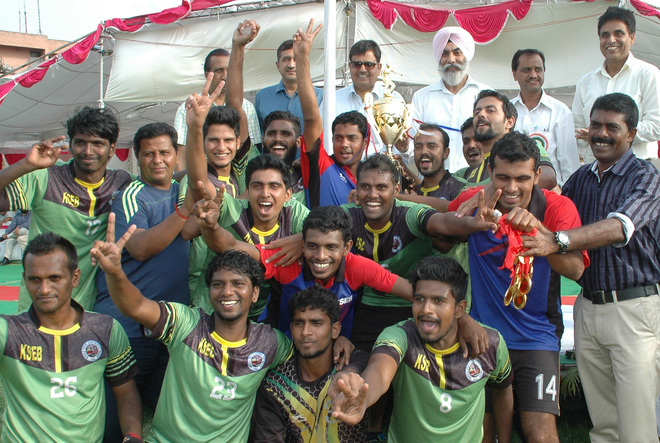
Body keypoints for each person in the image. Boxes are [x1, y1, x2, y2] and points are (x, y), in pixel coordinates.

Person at [523, 92, 660, 442]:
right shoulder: (581, 179)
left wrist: (559, 240)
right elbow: (551, 209)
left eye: (612, 127)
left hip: (634, 310)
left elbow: (620, 227)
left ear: (631, 134)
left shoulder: (646, 177)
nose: (601, 133)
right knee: (603, 425)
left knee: (637, 425)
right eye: (596, 125)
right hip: (588, 308)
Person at [94, 212, 296, 442]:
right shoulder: (186, 324)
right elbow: (137, 307)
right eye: (218, 284)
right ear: (209, 293)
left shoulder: (270, 343)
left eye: (238, 284)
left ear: (255, 293)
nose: (227, 292)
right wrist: (115, 273)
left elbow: (307, 358)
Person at [447, 131, 589, 442]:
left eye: (522, 178)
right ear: (489, 174)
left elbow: (577, 270)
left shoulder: (557, 207)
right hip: (481, 336)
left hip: (537, 336)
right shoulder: (476, 201)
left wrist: (543, 234)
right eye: (502, 177)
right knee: (481, 434)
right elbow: (439, 226)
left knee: (539, 432)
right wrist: (469, 222)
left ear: (538, 175)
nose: (511, 188)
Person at [330, 256, 514, 442]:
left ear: (460, 309)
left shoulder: (490, 344)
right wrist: (364, 399)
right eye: (419, 299)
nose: (426, 309)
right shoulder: (400, 336)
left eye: (438, 301)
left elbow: (503, 390)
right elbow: (379, 368)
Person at [93, 122, 192, 441]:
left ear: (177, 155)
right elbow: (139, 246)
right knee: (112, 417)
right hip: (127, 324)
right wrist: (184, 212)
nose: (158, 160)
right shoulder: (133, 194)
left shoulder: (181, 191)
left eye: (165, 152)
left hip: (167, 324)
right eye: (149, 154)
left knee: (171, 409)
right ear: (137, 157)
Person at [193, 202, 412, 339]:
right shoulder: (288, 261)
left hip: (337, 351)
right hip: (285, 350)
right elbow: (230, 247)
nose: (321, 256)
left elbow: (412, 291)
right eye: (312, 246)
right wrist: (212, 226)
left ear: (346, 248)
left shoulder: (357, 267)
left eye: (331, 247)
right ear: (302, 244)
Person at [1, 232, 140, 442]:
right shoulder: (7, 331)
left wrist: (133, 436)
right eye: (34, 279)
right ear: (25, 280)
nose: (44, 289)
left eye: (54, 278)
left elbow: (126, 394)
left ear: (74, 278)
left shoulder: (106, 330)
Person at [0, 106, 132, 311]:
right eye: (80, 143)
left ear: (112, 149)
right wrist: (26, 165)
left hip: (87, 312)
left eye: (97, 144)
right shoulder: (46, 177)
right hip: (37, 310)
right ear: (70, 145)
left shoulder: (122, 183)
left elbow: (165, 186)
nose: (88, 151)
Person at [251, 286, 369, 442]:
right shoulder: (275, 386)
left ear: (335, 330)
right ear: (291, 329)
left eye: (316, 323)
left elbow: (367, 359)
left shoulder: (355, 371)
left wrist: (350, 370)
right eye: (299, 323)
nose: (306, 331)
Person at [573, 6, 660, 164]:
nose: (611, 40)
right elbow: (578, 131)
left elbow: (657, 126)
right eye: (605, 35)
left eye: (618, 34)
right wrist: (589, 135)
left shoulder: (649, 75)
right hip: (596, 170)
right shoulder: (585, 82)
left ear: (632, 38)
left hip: (638, 169)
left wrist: (612, 133)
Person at [294, 20, 366, 207]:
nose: (344, 144)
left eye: (352, 138)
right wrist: (302, 57)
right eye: (338, 138)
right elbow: (311, 118)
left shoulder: (372, 181)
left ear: (365, 142)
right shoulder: (321, 165)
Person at [411, 27, 491, 172]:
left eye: (457, 53)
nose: (451, 60)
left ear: (467, 55)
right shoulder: (421, 97)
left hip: (476, 181)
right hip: (434, 185)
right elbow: (413, 145)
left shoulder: (486, 95)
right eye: (444, 54)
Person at [173, 47, 262, 169]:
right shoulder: (189, 109)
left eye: (229, 70)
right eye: (219, 70)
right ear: (207, 74)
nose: (225, 76)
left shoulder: (247, 108)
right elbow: (181, 154)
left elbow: (254, 150)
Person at [320, 39, 405, 159]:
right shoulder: (332, 101)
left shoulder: (394, 100)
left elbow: (405, 148)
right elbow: (321, 141)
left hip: (382, 172)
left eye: (369, 65)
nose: (362, 69)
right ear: (350, 66)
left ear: (379, 68)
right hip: (342, 172)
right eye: (357, 64)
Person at [510, 49, 580, 186]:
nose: (533, 75)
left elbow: (569, 164)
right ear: (514, 74)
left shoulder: (561, 112)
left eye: (538, 69)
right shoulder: (505, 110)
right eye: (526, 70)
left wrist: (566, 196)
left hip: (551, 193)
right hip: (513, 191)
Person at [466, 89, 557, 190]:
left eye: (490, 110)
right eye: (477, 112)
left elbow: (548, 178)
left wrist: (490, 190)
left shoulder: (526, 146)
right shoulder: (472, 171)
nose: (481, 115)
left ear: (509, 122)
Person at [254, 39, 323, 134]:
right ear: (278, 65)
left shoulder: (320, 97)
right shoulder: (262, 97)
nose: (291, 65)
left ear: (305, 64)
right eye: (286, 60)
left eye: (296, 59)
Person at [412, 123, 464, 200]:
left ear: (445, 153)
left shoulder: (460, 188)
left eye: (432, 147)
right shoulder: (413, 191)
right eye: (418, 147)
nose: (424, 152)